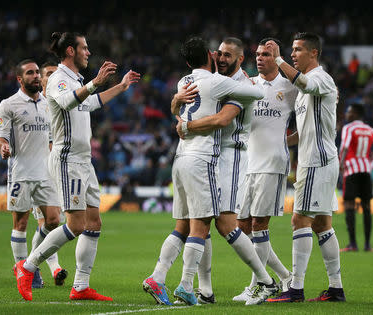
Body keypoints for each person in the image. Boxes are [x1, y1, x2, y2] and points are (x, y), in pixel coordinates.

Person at [143, 36, 276, 307]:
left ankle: (194, 286)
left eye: (228, 54)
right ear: (210, 56)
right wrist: (177, 104)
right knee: (205, 224)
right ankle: (195, 286)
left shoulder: (195, 83)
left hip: (222, 156)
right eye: (219, 54)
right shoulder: (220, 83)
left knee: (202, 224)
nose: (222, 57)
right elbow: (216, 113)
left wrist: (179, 110)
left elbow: (220, 118)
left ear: (239, 58)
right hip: (206, 157)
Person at [12, 31, 141, 302]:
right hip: (67, 159)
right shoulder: (58, 79)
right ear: (70, 51)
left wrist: (121, 86)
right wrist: (95, 81)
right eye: (85, 48)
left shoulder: (76, 79)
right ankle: (28, 266)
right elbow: (70, 100)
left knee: (94, 223)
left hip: (84, 161)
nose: (88, 53)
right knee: (75, 225)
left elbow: (89, 103)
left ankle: (81, 286)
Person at [265, 32, 346, 303]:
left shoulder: (320, 78)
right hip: (318, 160)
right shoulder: (306, 89)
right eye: (291, 50)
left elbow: (304, 83)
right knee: (322, 224)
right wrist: (284, 140)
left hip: (316, 161)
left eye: (298, 49)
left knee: (299, 220)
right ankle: (335, 288)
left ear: (314, 53)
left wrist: (276, 59)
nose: (292, 54)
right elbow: (307, 128)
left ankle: (296, 288)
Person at [233, 37, 297, 302]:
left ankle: (259, 285)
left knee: (260, 224)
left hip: (272, 164)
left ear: (276, 58)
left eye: (266, 54)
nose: (260, 58)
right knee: (242, 226)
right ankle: (283, 276)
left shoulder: (289, 87)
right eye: (258, 54)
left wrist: (286, 141)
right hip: (248, 164)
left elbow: (309, 113)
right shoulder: (249, 86)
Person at [0, 59, 62, 290]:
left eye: (37, 73)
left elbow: (53, 139)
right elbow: (1, 136)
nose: (36, 76)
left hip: (46, 173)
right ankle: (23, 270)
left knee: (54, 221)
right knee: (20, 223)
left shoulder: (48, 103)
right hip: (21, 173)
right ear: (20, 79)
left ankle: (30, 263)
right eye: (30, 73)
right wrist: (3, 147)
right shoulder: (8, 104)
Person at [28, 61, 68, 287]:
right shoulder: (36, 105)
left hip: (59, 171)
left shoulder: (61, 103)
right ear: (41, 79)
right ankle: (39, 269)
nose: (54, 77)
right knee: (48, 222)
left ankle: (36, 267)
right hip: (40, 171)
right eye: (50, 74)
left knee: (55, 223)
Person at [339, 103, 373, 252]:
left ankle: (352, 244)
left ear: (355, 114)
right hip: (365, 170)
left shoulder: (348, 128)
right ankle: (367, 245)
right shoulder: (370, 130)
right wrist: (371, 164)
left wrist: (340, 164)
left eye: (349, 112)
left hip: (351, 171)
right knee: (367, 207)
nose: (347, 114)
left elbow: (345, 146)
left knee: (349, 205)